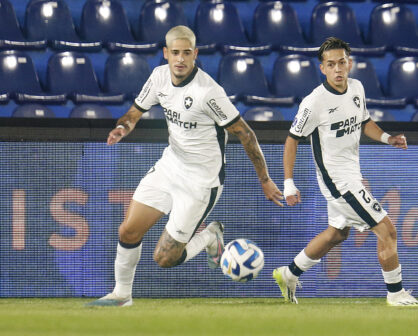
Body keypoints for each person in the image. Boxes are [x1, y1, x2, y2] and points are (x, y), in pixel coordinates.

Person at [88, 26, 283, 306]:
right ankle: (121, 296)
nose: (180, 59)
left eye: (187, 53)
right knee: (127, 231)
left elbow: (245, 133)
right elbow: (134, 113)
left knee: (164, 258)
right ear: (166, 53)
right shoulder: (158, 77)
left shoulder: (208, 92)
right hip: (170, 166)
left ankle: (209, 236)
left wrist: (265, 180)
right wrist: (123, 127)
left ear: (195, 54)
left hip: (201, 181)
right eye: (175, 53)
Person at [272, 37, 418, 307]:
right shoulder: (314, 102)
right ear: (322, 69)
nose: (338, 69)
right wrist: (288, 183)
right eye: (331, 64)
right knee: (387, 231)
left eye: (342, 62)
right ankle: (396, 294)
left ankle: (288, 274)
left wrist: (388, 138)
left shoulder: (356, 88)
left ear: (349, 63)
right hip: (337, 181)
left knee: (337, 233)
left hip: (352, 174)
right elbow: (291, 140)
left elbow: (364, 122)